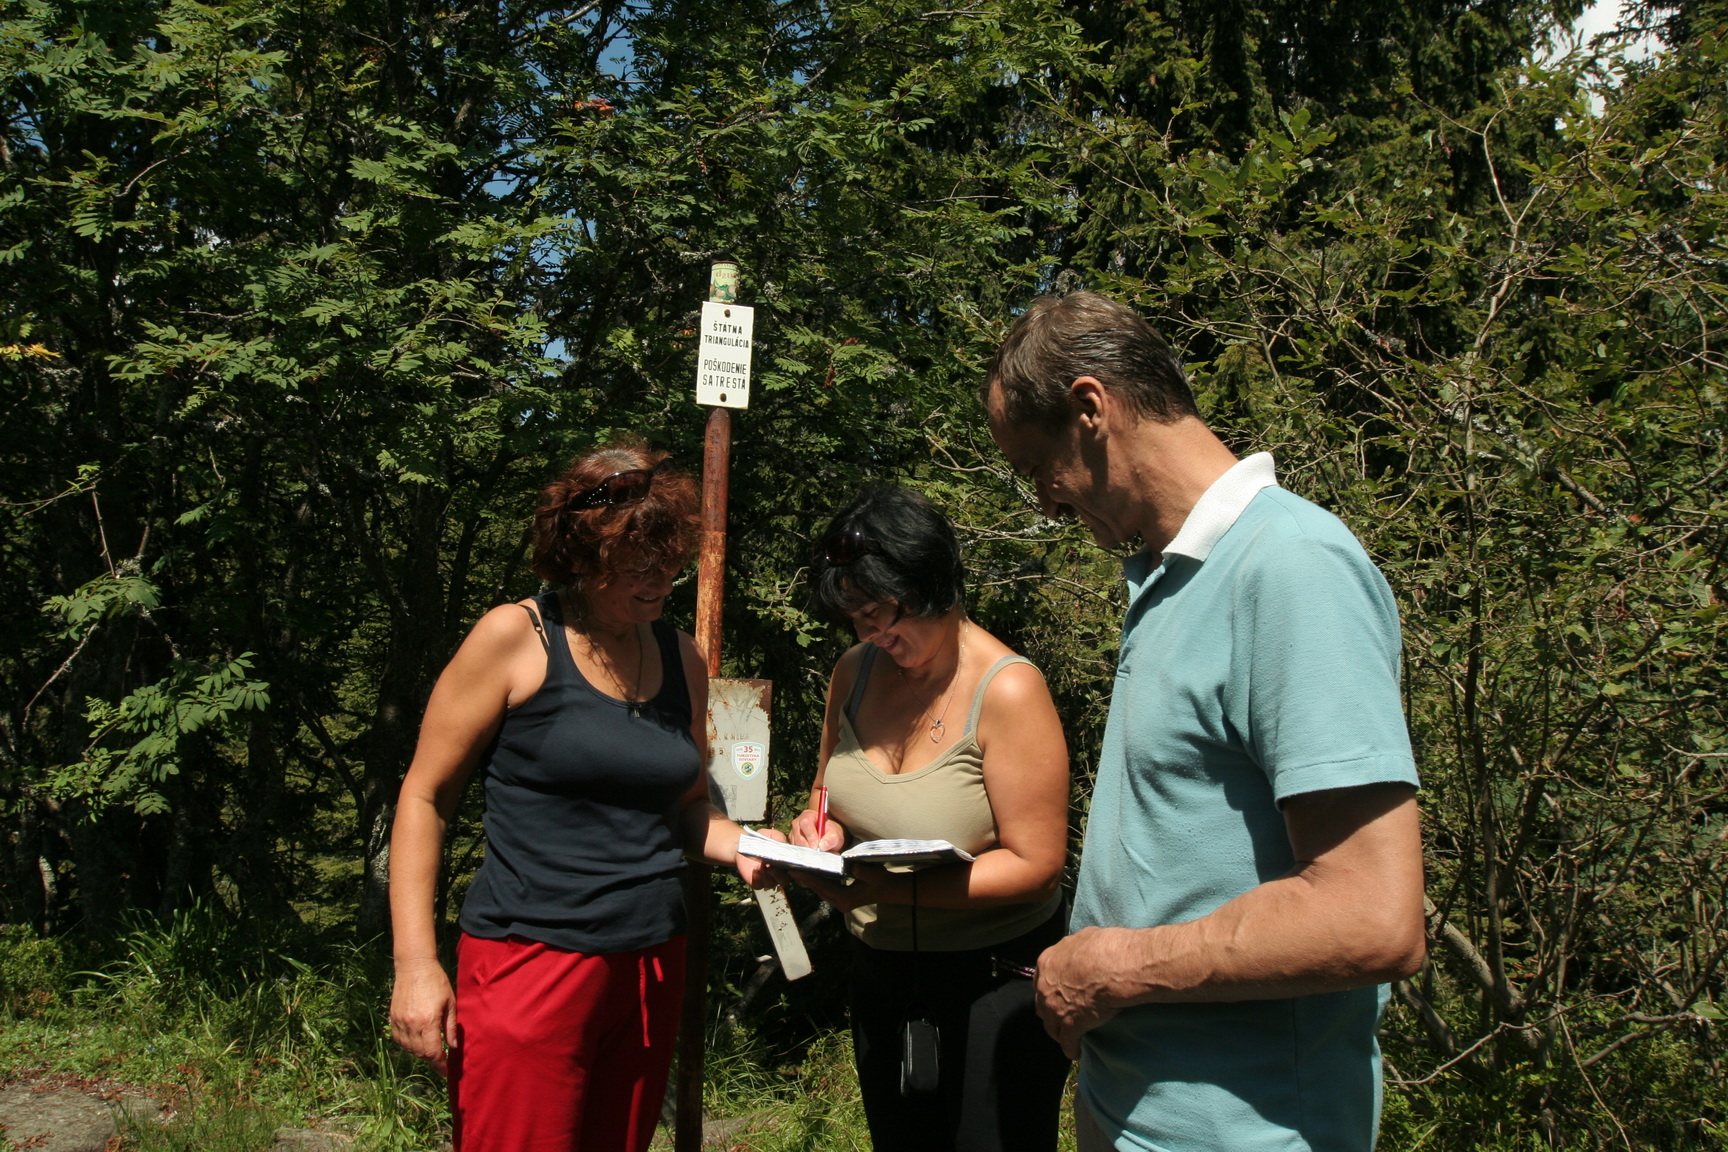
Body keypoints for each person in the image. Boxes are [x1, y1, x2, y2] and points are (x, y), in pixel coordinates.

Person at [981, 292, 1426, 1152]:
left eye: (1037, 466)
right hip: (1138, 1112)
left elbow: (1372, 916)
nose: (1044, 503)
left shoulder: (1293, 568)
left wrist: (1112, 967)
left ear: (1090, 408)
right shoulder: (1171, 575)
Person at [386, 440, 771, 1152]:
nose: (660, 582)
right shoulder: (516, 637)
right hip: (531, 962)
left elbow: (689, 810)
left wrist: (748, 846)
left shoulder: (681, 657)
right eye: (637, 566)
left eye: (669, 562)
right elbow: (425, 798)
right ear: (583, 555)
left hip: (651, 966)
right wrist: (415, 966)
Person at [785, 486, 1072, 1152]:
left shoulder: (1008, 689)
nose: (871, 634)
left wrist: (888, 888)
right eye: (856, 619)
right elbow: (826, 794)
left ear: (930, 583)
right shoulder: (854, 671)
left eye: (881, 613)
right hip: (881, 970)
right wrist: (818, 831)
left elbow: (1037, 866)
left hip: (992, 981)